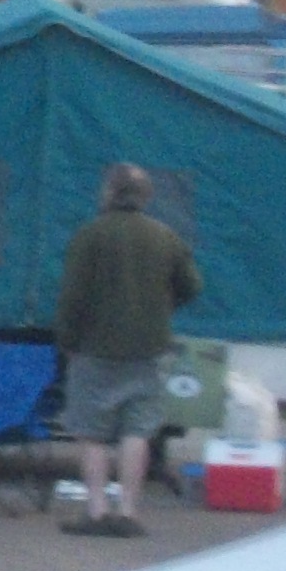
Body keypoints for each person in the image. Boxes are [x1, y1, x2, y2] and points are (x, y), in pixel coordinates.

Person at [55, 162, 199, 538]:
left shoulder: (90, 235)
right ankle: (129, 513)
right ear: (145, 196)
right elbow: (192, 285)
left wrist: (67, 340)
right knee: (137, 431)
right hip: (148, 349)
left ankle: (97, 512)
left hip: (94, 348)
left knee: (92, 433)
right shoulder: (165, 236)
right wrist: (162, 307)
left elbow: (72, 296)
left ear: (108, 192)